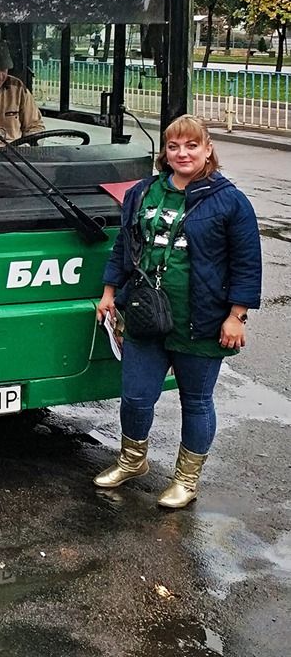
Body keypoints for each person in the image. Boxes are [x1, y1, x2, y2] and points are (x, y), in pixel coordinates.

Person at [94, 114, 262, 508]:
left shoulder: (230, 201)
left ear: (208, 149)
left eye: (191, 145)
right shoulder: (143, 192)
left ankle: (186, 480)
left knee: (196, 401)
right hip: (146, 314)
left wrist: (236, 316)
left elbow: (247, 262)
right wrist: (109, 293)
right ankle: (132, 460)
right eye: (173, 146)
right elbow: (124, 247)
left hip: (201, 321)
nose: (182, 153)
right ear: (165, 153)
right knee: (135, 397)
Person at [0, 37, 44, 142]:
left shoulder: (17, 87)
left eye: (3, 69)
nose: (0, 77)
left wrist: (30, 144)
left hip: (14, 149)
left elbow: (35, 126)